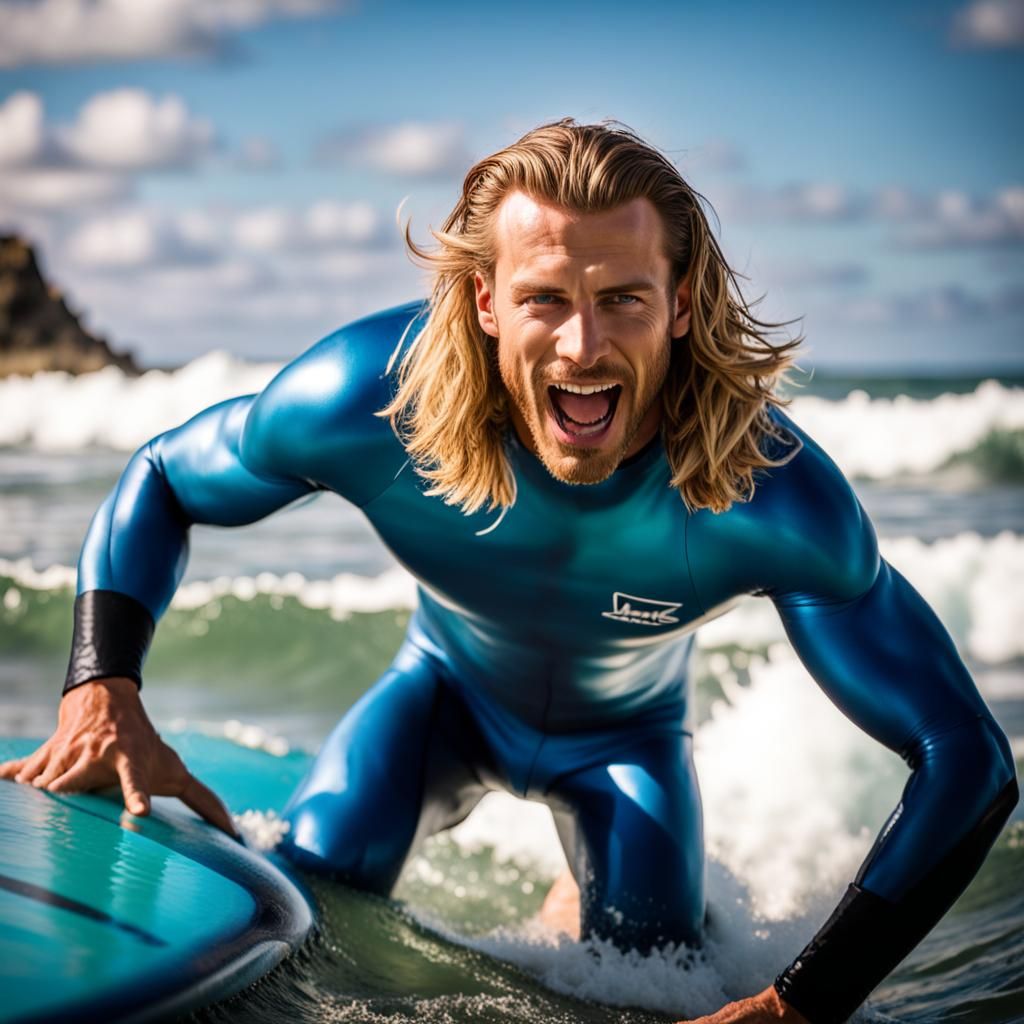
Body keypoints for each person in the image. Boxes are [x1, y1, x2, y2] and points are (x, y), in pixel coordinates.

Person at [1, 120, 1017, 1024]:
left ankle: (575, 896)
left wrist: (802, 1004)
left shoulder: (769, 497)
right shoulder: (370, 401)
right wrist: (102, 688)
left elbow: (964, 758)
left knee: (648, 982)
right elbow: (165, 475)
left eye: (622, 298)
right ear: (485, 300)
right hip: (438, 698)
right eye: (544, 299)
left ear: (680, 303)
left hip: (626, 746)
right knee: (316, 891)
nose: (581, 346)